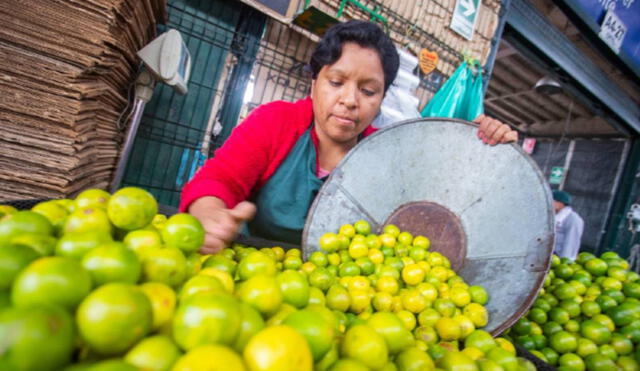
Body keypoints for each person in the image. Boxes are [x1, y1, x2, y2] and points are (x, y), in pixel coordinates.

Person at [180, 20, 518, 254]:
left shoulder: (385, 157)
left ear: (382, 99)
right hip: (256, 272)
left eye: (368, 90)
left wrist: (487, 148)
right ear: (314, 83)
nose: (350, 100)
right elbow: (218, 180)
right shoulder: (276, 122)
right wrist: (209, 213)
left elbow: (440, 202)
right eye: (336, 82)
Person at [552, 190, 584, 260]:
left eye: (552, 201)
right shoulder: (554, 215)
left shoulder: (573, 219)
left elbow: (571, 241)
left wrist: (565, 260)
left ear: (560, 203)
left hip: (559, 257)